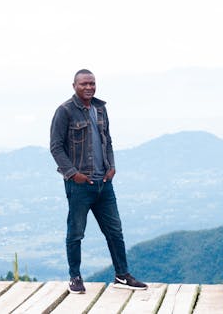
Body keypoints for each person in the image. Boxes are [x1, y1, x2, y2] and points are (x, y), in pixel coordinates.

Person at [50, 69, 148, 294]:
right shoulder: (64, 111)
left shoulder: (100, 109)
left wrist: (112, 166)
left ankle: (122, 276)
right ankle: (75, 277)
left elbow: (108, 141)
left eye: (92, 83)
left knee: (115, 231)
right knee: (76, 233)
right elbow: (56, 146)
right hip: (79, 184)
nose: (89, 87)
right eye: (84, 83)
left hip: (104, 183)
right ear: (74, 85)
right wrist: (73, 173)